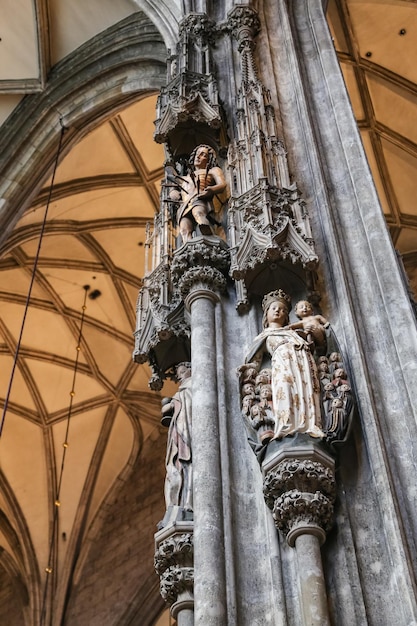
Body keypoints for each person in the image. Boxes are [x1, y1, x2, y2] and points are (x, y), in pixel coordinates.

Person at [244, 290, 325, 440]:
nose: (278, 311)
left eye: (282, 309)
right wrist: (247, 372)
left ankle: (310, 425)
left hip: (303, 361)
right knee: (285, 390)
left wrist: (315, 334)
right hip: (282, 362)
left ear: (287, 315)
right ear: (266, 313)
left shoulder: (293, 332)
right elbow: (254, 361)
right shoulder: (263, 336)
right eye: (274, 308)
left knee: (306, 392)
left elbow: (319, 344)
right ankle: (287, 426)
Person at [168, 144, 227, 243]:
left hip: (198, 199)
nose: (198, 157)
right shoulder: (185, 178)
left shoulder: (213, 171)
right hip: (185, 205)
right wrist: (173, 194)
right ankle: (189, 246)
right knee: (184, 228)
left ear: (209, 160)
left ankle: (208, 236)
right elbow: (174, 188)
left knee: (199, 214)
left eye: (203, 154)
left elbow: (222, 184)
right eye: (197, 154)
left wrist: (211, 190)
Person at [162, 362, 193, 511]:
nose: (179, 376)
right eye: (178, 373)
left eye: (182, 371)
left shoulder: (193, 385)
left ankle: (189, 501)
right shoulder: (182, 391)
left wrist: (173, 403)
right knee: (176, 465)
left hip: (188, 427)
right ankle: (175, 505)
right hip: (178, 427)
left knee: (189, 462)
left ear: (190, 369)